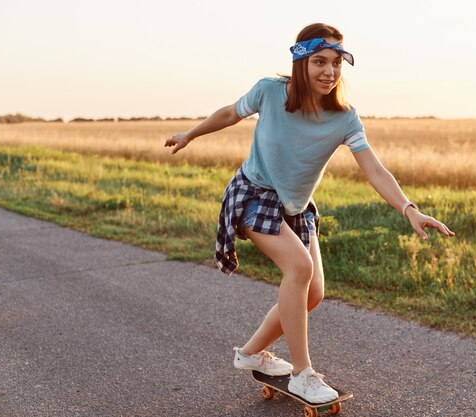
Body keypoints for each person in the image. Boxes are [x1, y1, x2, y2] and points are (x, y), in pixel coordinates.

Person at [165, 23, 455, 403]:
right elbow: (228, 114)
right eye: (320, 61)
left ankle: (251, 353)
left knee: (313, 293)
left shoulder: (345, 118)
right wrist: (191, 134)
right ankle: (303, 373)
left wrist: (408, 208)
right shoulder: (269, 91)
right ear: (300, 61)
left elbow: (373, 168)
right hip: (254, 195)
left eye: (337, 63)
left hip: (295, 208)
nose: (329, 72)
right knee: (299, 269)